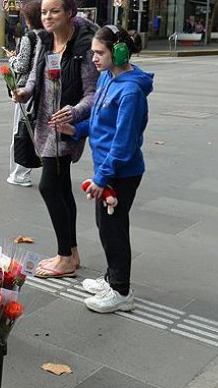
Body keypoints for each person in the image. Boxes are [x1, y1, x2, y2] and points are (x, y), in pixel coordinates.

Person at [54, 25, 152, 313]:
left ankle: (121, 291)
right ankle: (112, 278)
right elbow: (99, 122)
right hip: (111, 169)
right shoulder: (109, 77)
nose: (93, 59)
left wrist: (101, 178)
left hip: (121, 172)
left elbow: (123, 143)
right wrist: (74, 129)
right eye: (92, 52)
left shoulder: (131, 91)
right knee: (105, 226)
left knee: (113, 230)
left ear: (119, 52)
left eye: (99, 53)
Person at [12, 0, 100, 278]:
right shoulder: (45, 41)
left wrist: (73, 112)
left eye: (55, 12)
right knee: (61, 187)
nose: (48, 17)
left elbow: (93, 93)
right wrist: (23, 91)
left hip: (65, 127)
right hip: (43, 123)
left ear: (69, 12)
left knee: (50, 185)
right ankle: (71, 253)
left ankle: (64, 257)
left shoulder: (83, 46)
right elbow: (36, 78)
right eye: (45, 12)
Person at [5, 0, 43, 187]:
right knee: (32, 130)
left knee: (19, 131)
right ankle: (26, 170)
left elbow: (22, 65)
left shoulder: (30, 37)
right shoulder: (49, 35)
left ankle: (20, 173)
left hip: (25, 89)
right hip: (42, 88)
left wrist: (12, 59)